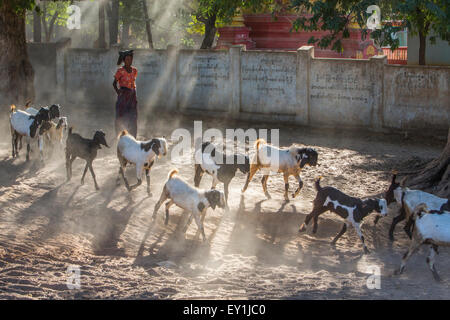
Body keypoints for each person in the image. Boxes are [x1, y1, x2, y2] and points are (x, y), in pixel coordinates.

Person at [113, 50, 138, 138]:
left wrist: (134, 96)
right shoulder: (120, 71)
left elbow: (133, 83)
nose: (129, 61)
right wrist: (118, 92)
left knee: (133, 117)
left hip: (132, 97)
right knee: (121, 116)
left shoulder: (135, 70)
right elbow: (114, 83)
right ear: (124, 60)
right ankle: (120, 136)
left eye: (130, 59)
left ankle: (133, 137)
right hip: (123, 96)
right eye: (127, 59)